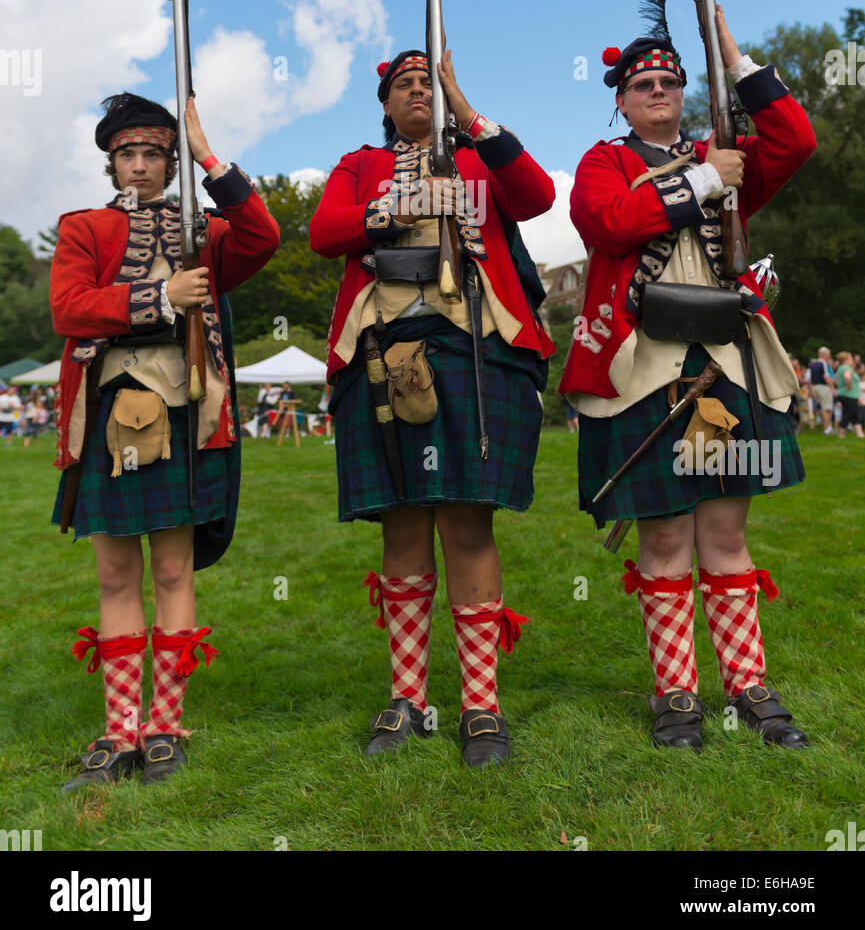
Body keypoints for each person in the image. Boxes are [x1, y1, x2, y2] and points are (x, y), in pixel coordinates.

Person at [560, 0, 816, 752]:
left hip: (723, 362)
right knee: (664, 538)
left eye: (670, 82)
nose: (659, 93)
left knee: (725, 535)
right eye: (643, 86)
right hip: (641, 368)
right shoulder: (605, 164)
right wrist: (704, 181)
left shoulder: (725, 151)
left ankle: (746, 686)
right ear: (623, 103)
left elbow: (795, 138)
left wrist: (735, 60)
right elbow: (607, 224)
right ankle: (676, 695)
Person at [310, 48, 555, 765]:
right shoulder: (360, 165)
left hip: (475, 345)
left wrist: (469, 112)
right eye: (405, 86)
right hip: (382, 345)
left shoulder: (477, 157)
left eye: (428, 84)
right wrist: (398, 207)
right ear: (385, 104)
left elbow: (536, 195)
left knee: (468, 523)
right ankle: (408, 700)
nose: (418, 92)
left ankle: (480, 704)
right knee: (402, 525)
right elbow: (326, 232)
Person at [50, 91, 279, 790]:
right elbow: (69, 308)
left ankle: (167, 728)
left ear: (170, 163)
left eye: (155, 153)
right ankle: (121, 730)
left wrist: (210, 158)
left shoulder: (204, 230)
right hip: (112, 405)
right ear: (111, 161)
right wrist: (157, 299)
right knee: (117, 573)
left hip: (185, 408)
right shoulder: (83, 227)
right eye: (129, 154)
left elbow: (263, 237)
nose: (142, 165)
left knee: (174, 572)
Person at [807, 348, 836, 434]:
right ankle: (827, 429)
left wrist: (812, 391)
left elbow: (810, 379)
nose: (830, 356)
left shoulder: (813, 364)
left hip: (815, 387)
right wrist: (833, 389)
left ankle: (826, 427)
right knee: (827, 408)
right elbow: (826, 377)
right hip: (823, 387)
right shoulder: (823, 363)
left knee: (822, 408)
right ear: (825, 355)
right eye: (829, 354)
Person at [835, 353, 863, 438]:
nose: (852, 360)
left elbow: (835, 380)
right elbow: (847, 377)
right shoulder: (846, 368)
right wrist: (849, 386)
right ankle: (841, 434)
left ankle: (859, 433)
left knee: (855, 414)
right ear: (846, 360)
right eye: (851, 358)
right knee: (848, 414)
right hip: (849, 395)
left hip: (847, 395)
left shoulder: (840, 368)